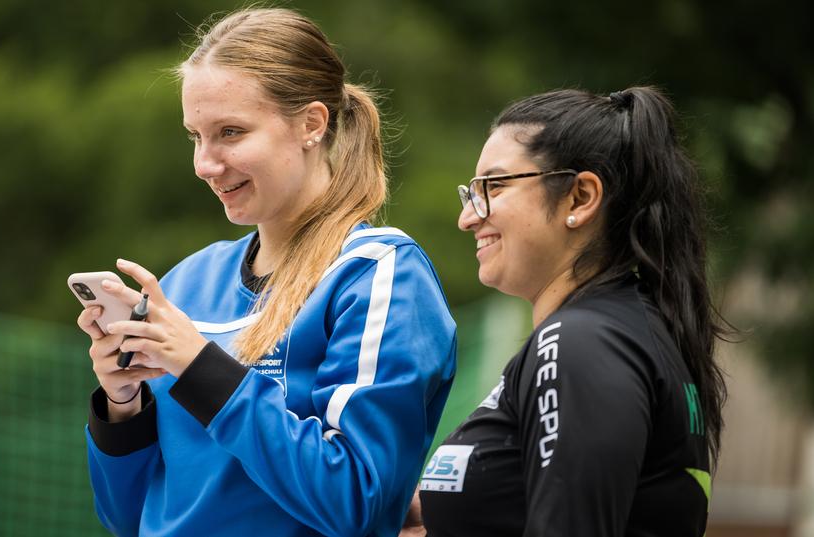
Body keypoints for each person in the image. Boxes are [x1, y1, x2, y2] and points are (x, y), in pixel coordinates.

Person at [74, 7, 457, 537]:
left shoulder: (376, 273)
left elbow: (355, 499)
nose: (205, 164)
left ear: (311, 124)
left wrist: (201, 369)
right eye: (196, 136)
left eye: (230, 132)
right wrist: (123, 404)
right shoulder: (187, 282)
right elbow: (130, 516)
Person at [402, 87, 728, 537]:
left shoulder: (580, 344)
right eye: (471, 193)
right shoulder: (615, 330)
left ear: (580, 198)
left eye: (494, 187)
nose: (468, 218)